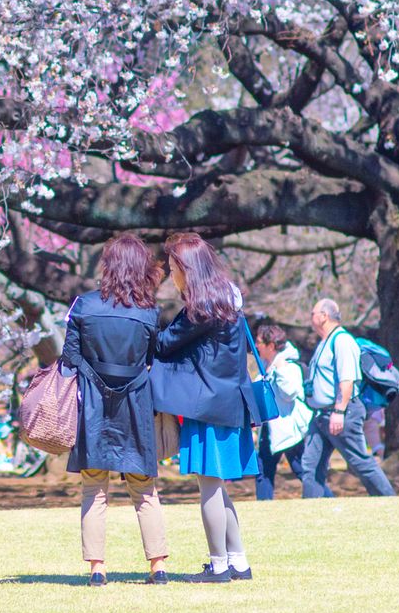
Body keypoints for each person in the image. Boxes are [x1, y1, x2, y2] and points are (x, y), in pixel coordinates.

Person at [60, 233, 169, 586]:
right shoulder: (150, 311)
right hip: (136, 404)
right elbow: (154, 358)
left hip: (93, 404)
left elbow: (70, 357)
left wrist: (93, 373)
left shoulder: (83, 306)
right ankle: (158, 565)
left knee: (94, 489)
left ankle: (97, 569)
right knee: (145, 488)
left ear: (107, 266)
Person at [151, 233, 256, 584]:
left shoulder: (202, 304)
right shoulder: (228, 298)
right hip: (230, 402)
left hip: (207, 406)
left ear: (187, 268)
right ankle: (238, 561)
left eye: (172, 268)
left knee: (209, 485)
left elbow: (164, 344)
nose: (170, 275)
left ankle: (219, 565)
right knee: (218, 485)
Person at [299, 299, 395, 498]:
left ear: (324, 316)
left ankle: (388, 500)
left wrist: (339, 411)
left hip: (342, 411)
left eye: (312, 313)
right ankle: (310, 511)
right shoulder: (324, 343)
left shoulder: (342, 341)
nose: (310, 318)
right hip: (321, 415)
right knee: (311, 465)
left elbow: (347, 380)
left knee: (359, 461)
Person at [254, 324, 312, 501]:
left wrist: (279, 369)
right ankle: (263, 511)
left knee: (301, 470)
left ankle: (324, 499)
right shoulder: (265, 366)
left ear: (271, 345)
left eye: (259, 342)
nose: (256, 346)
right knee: (263, 471)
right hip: (270, 430)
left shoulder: (288, 366)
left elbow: (290, 393)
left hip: (289, 431)